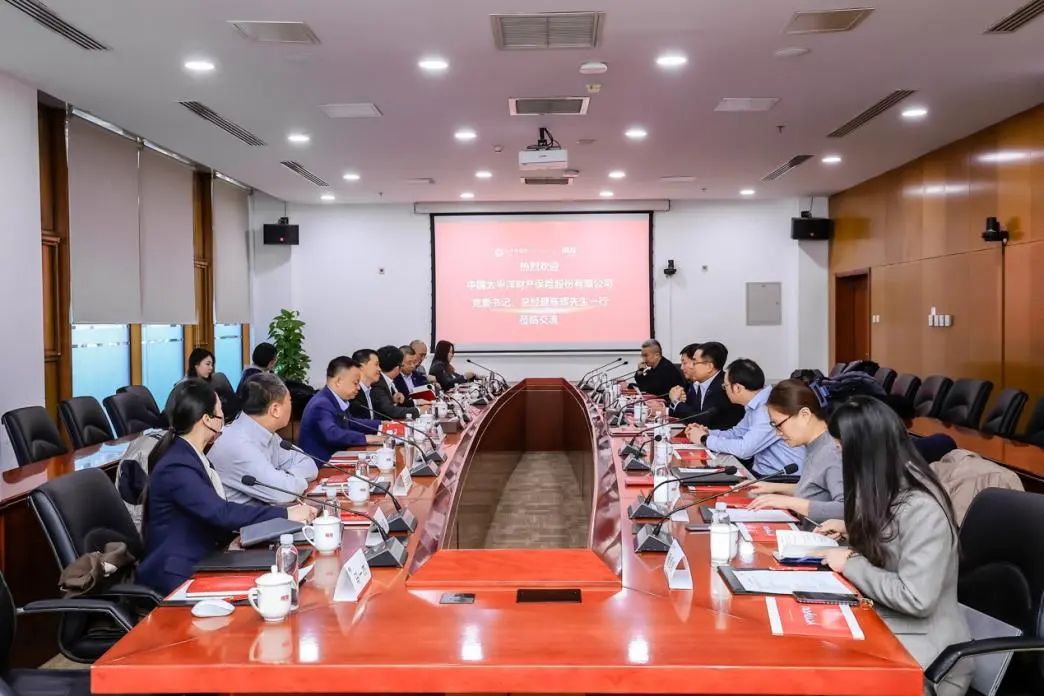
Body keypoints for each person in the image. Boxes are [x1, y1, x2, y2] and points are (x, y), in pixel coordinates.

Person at [815, 396, 971, 696]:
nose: (839, 456)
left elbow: (916, 598)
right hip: (885, 624)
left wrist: (849, 562)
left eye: (842, 448)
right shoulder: (883, 489)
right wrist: (851, 532)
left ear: (864, 450)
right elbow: (888, 549)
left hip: (926, 659)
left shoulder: (922, 507)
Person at [136, 379, 315, 594]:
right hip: (177, 571)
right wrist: (286, 514)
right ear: (207, 419)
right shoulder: (177, 465)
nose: (225, 418)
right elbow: (220, 512)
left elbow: (207, 514)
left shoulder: (190, 454)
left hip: (204, 556)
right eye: (220, 411)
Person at [208, 373, 318, 505]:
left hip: (268, 513)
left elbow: (309, 464)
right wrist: (291, 480)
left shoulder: (266, 433)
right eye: (289, 400)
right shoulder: (237, 444)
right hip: (245, 518)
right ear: (275, 410)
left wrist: (286, 477)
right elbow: (282, 493)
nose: (291, 405)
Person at [685, 358, 805, 476]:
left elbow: (745, 450)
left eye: (725, 386)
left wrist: (705, 439)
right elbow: (737, 433)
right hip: (764, 473)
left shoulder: (768, 407)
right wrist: (707, 433)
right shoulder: (756, 403)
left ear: (738, 388)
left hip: (783, 477)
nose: (725, 390)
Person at [746, 379, 843, 521]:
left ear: (805, 415)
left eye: (779, 425)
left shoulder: (832, 451)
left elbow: (847, 509)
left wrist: (789, 502)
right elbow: (815, 491)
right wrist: (772, 487)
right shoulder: (815, 445)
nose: (777, 433)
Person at [299, 356, 383, 462]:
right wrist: (365, 438)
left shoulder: (334, 398)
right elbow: (332, 434)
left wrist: (381, 425)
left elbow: (351, 422)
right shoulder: (321, 404)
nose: (358, 388)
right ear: (338, 381)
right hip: (322, 465)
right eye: (355, 383)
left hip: (337, 457)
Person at [668, 342, 743, 429]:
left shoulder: (724, 387)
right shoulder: (702, 384)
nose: (691, 367)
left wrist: (676, 402)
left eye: (694, 363)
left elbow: (704, 421)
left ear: (709, 367)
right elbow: (693, 413)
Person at [368, 345, 421, 420]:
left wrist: (393, 400)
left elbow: (398, 402)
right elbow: (390, 411)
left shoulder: (387, 380)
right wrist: (419, 410)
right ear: (397, 367)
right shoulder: (378, 384)